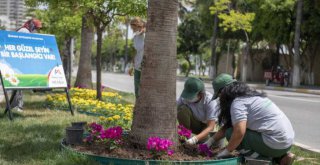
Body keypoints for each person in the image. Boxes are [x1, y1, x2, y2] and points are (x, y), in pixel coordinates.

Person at [205, 73, 295, 165]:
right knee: (233, 131)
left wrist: (226, 151)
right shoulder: (252, 97)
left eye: (219, 96)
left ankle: (265, 160)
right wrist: (210, 141)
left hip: (275, 143)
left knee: (231, 133)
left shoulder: (238, 103)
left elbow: (239, 132)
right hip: (287, 142)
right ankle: (281, 158)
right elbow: (229, 125)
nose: (220, 99)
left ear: (224, 92)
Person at [177, 77, 221, 145]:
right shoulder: (184, 96)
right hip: (195, 123)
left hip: (207, 126)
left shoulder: (210, 100)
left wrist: (195, 139)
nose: (188, 98)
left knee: (208, 143)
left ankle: (200, 139)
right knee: (182, 110)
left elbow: (211, 126)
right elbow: (173, 110)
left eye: (191, 96)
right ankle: (185, 136)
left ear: (201, 94)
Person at [11, 18, 42, 112]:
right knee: (18, 85)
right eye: (36, 27)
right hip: (18, 62)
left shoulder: (25, 31)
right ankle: (17, 106)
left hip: (19, 62)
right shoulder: (24, 31)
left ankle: (16, 105)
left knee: (19, 85)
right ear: (32, 25)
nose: (36, 29)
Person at [129, 17, 145, 98]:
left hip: (145, 67)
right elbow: (135, 52)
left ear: (137, 25)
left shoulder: (146, 36)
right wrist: (131, 67)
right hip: (137, 67)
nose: (132, 30)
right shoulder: (135, 37)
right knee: (137, 90)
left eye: (133, 28)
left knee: (144, 90)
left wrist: (143, 30)